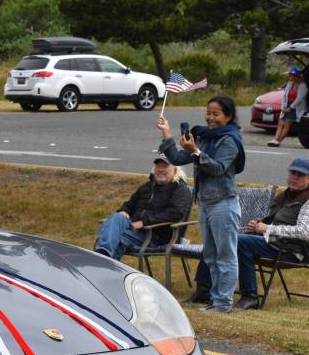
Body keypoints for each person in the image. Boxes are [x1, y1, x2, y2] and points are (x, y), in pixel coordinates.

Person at [158, 96, 246, 313]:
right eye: (208, 112)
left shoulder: (230, 140)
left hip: (223, 204)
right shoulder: (205, 136)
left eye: (216, 114)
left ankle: (223, 303)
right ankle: (216, 300)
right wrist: (167, 132)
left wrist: (196, 151)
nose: (210, 117)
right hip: (206, 203)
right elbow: (178, 158)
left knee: (225, 255)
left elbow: (217, 168)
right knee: (211, 255)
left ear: (229, 116)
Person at [191, 158, 309, 310]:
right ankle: (203, 290)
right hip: (273, 242)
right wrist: (257, 226)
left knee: (239, 242)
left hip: (291, 250)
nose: (294, 177)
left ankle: (250, 296)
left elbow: (305, 232)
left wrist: (267, 228)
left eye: (300, 175)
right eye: (293, 173)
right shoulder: (285, 195)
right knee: (218, 236)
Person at [94, 155, 192, 260]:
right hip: (135, 231)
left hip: (156, 236)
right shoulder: (147, 187)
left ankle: (101, 261)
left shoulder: (181, 190)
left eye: (165, 166)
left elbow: (174, 213)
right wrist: (124, 211)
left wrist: (144, 223)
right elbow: (129, 205)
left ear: (175, 170)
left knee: (114, 239)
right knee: (117, 217)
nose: (160, 169)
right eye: (158, 166)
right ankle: (103, 256)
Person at [268, 67, 307, 147]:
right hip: (286, 105)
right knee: (280, 123)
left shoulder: (303, 86)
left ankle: (278, 141)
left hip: (295, 107)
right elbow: (284, 96)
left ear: (295, 76)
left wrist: (290, 108)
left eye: (290, 75)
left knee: (287, 124)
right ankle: (275, 139)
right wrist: (283, 107)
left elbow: (299, 99)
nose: (289, 77)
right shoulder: (290, 84)